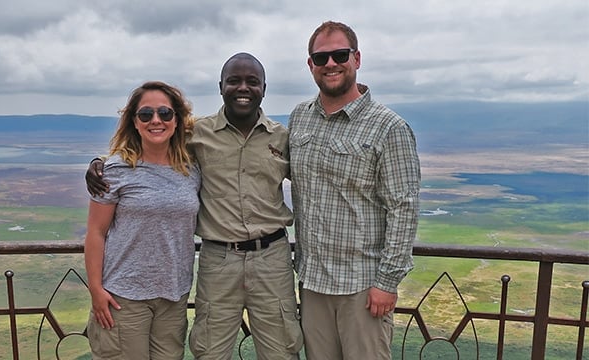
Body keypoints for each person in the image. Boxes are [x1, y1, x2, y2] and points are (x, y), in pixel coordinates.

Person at [86, 53, 303, 360]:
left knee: (282, 349)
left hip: (272, 257)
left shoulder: (282, 138)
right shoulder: (197, 133)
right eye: (234, 81)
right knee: (210, 351)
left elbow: (316, 174)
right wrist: (100, 163)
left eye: (252, 82)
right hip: (218, 258)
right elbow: (150, 142)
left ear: (264, 89)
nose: (243, 87)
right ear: (221, 87)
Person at [289, 21, 421, 360]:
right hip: (312, 281)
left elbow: (403, 209)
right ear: (310, 65)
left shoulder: (389, 127)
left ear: (357, 58)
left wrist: (387, 282)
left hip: (362, 288)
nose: (330, 63)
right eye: (321, 58)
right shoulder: (299, 118)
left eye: (339, 54)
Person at [84, 81, 201, 360]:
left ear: (177, 120)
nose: (156, 120)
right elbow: (95, 232)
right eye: (146, 114)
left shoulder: (191, 168)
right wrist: (96, 290)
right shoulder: (115, 170)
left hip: (174, 296)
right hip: (124, 298)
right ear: (134, 122)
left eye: (165, 113)